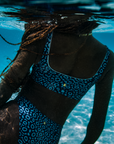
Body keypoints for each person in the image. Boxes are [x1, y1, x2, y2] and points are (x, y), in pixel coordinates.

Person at [0, 6, 114, 144]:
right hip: (49, 136)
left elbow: (8, 84)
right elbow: (97, 121)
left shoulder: (44, 37)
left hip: (12, 120)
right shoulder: (108, 59)